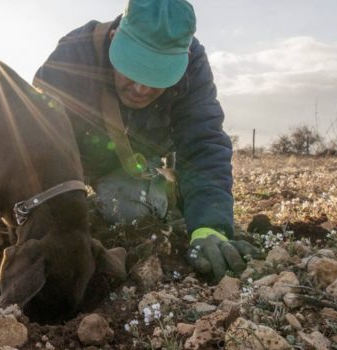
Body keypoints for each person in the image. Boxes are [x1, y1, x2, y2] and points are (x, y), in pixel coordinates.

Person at [33, 0, 258, 283]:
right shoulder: (74, 52)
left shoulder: (193, 66)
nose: (141, 88)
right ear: (115, 39)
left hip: (137, 161)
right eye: (133, 69)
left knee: (130, 209)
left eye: (157, 76)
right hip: (72, 158)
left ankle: (168, 194)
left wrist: (209, 228)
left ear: (184, 58)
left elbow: (203, 143)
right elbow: (33, 135)